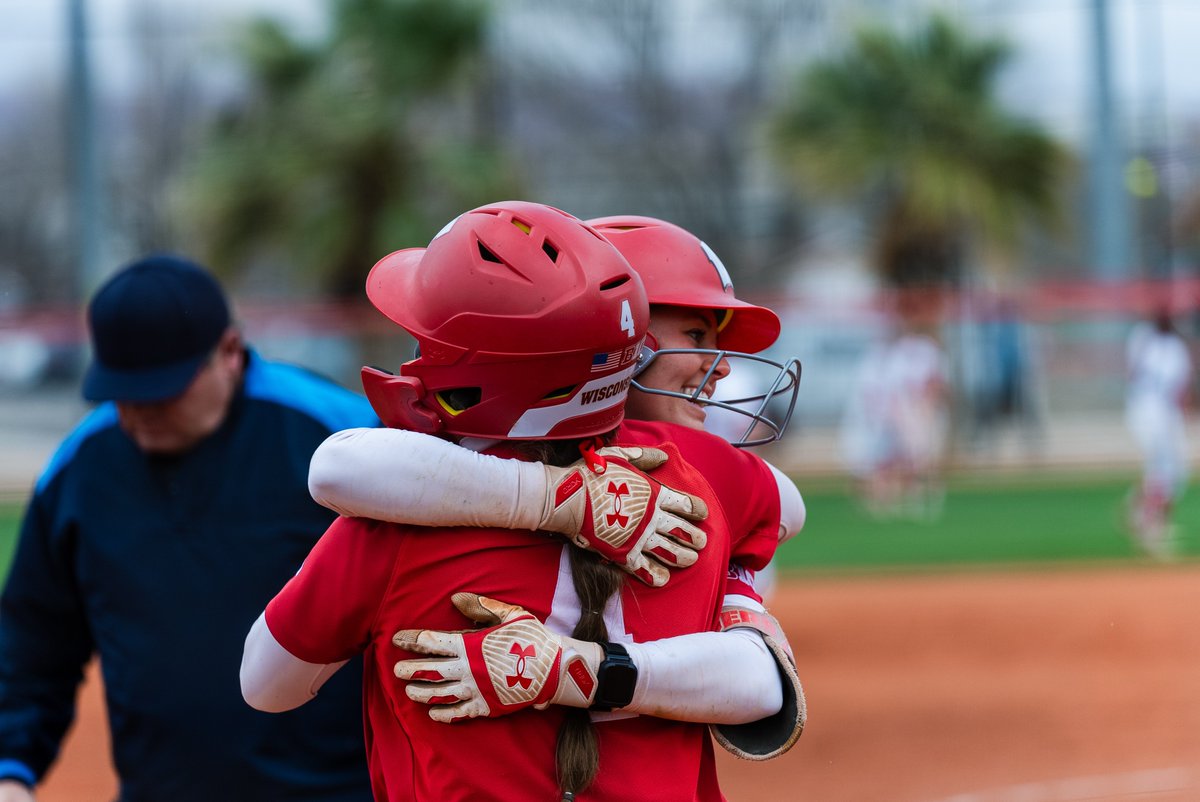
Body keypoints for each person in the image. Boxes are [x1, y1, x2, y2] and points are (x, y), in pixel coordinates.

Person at [241, 202, 799, 801]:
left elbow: (265, 684)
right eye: (695, 335)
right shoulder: (706, 479)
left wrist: (553, 506)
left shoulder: (393, 520)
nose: (716, 370)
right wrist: (567, 503)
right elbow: (786, 523)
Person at [0, 255, 378, 802]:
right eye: (123, 394)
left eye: (161, 392)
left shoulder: (341, 441)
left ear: (229, 352)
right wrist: (10, 768)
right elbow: (35, 641)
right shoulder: (81, 467)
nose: (138, 413)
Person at [1125, 307, 1193, 557]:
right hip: (1148, 411)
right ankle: (1151, 524)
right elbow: (1133, 374)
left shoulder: (1171, 347)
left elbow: (1181, 390)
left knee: (1172, 473)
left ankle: (1142, 512)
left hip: (1161, 413)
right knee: (1164, 470)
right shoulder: (1148, 339)